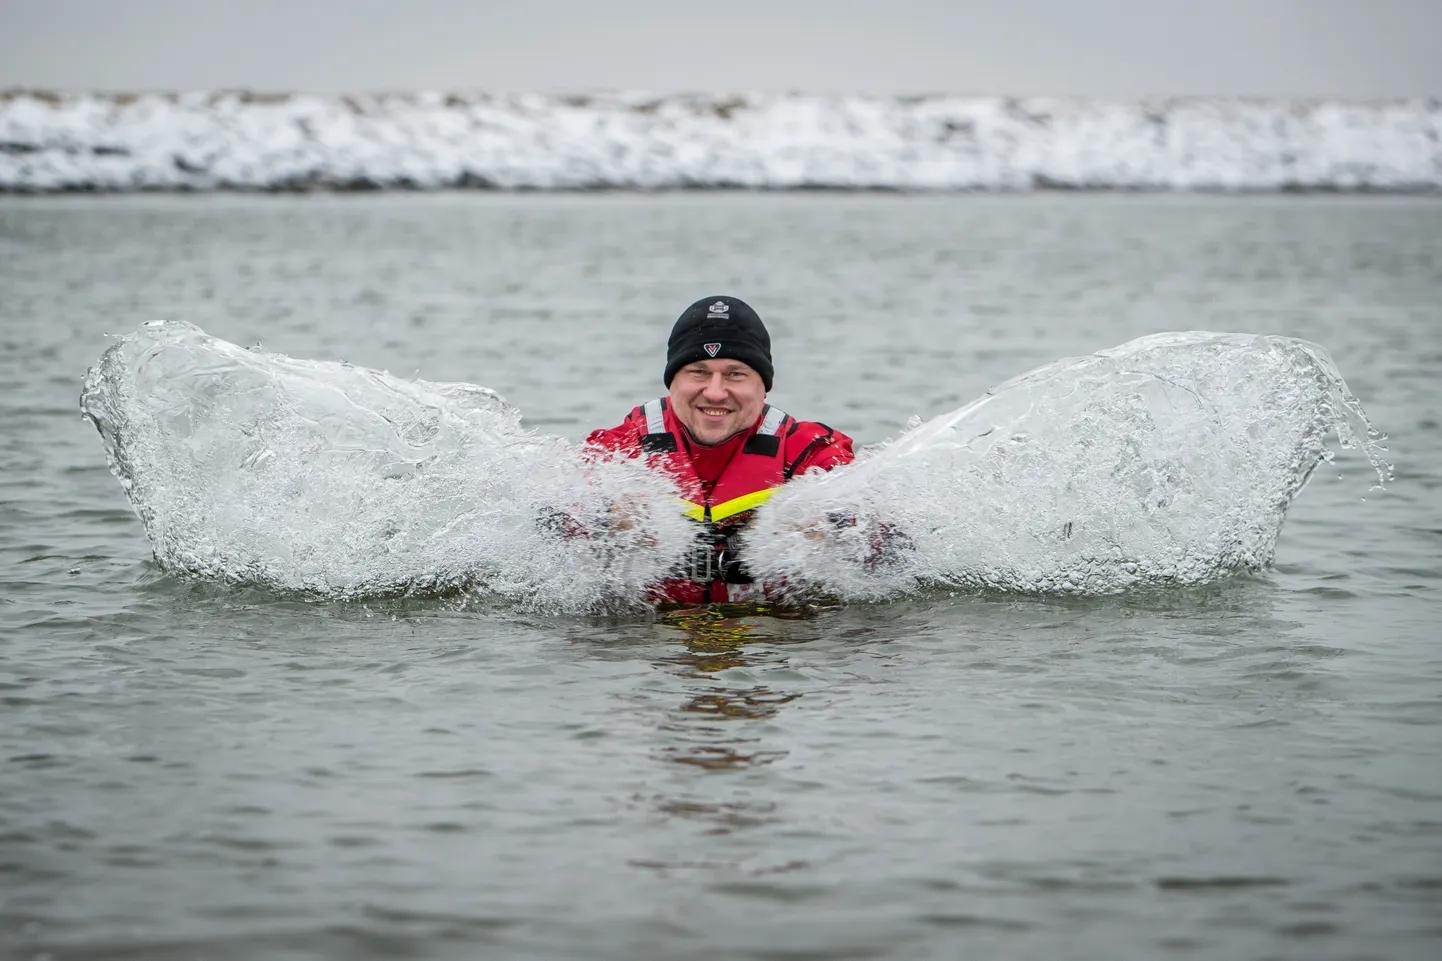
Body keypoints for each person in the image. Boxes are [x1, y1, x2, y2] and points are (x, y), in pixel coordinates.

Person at [585, 296, 855, 605]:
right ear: (672, 382)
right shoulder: (619, 450)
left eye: (735, 374)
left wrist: (833, 525)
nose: (714, 392)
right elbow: (555, 514)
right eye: (698, 372)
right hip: (655, 639)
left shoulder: (811, 452)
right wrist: (602, 517)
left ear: (763, 386)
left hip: (769, 640)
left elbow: (882, 527)